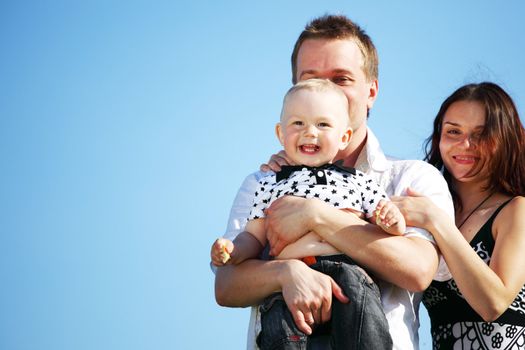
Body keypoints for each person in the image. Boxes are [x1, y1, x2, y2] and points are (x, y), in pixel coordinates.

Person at [214, 14, 454, 350]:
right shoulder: (264, 181)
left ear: (371, 91)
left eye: (340, 79)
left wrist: (315, 215)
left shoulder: (408, 177)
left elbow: (416, 269)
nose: (325, 90)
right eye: (311, 78)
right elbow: (226, 286)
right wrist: (284, 273)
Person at [212, 79, 405, 349]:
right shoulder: (269, 183)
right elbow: (253, 237)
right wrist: (233, 251)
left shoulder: (360, 181)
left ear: (344, 137)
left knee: (365, 325)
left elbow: (388, 227)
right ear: (281, 133)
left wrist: (393, 220)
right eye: (298, 124)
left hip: (347, 271)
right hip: (290, 279)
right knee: (279, 329)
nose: (310, 133)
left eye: (323, 124)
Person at [391, 82, 525, 349]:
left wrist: (437, 222)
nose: (465, 144)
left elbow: (493, 303)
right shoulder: (424, 202)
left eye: (482, 134)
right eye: (453, 131)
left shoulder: (516, 210)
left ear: (506, 139)